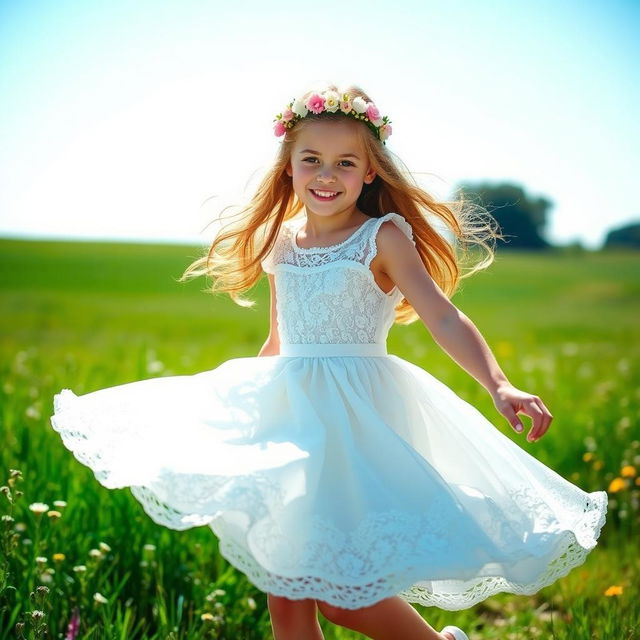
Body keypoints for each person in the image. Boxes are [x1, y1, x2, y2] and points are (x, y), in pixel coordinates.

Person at [50, 83, 608, 640]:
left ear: (370, 173)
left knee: (343, 601)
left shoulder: (381, 236)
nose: (326, 174)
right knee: (287, 595)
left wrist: (499, 384)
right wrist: (241, 416)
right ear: (288, 167)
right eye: (311, 160)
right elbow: (278, 342)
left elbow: (442, 317)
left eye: (345, 162)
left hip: (355, 426)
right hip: (291, 423)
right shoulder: (282, 244)